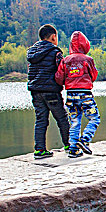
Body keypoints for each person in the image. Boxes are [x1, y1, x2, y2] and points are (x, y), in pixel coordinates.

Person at [27, 24, 70, 159]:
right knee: (62, 118)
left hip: (35, 91)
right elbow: (61, 71)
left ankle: (39, 149)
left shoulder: (32, 52)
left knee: (41, 120)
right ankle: (69, 145)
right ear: (53, 37)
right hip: (51, 90)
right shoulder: (55, 52)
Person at [55, 31, 100, 158]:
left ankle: (73, 149)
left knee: (74, 121)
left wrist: (68, 81)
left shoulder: (65, 60)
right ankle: (84, 140)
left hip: (70, 95)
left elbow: (59, 77)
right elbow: (94, 75)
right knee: (94, 118)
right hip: (85, 94)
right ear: (85, 44)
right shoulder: (88, 60)